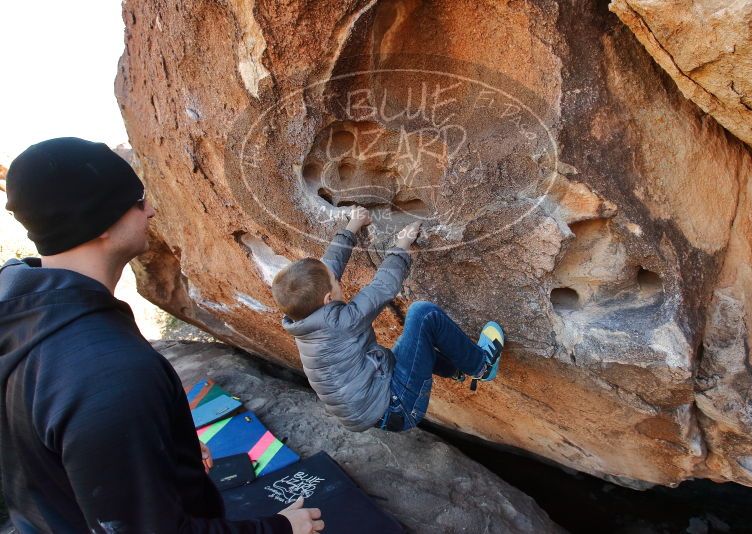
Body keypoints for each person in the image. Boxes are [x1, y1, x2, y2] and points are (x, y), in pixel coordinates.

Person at [0, 137, 323, 533]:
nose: (150, 210)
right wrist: (281, 528)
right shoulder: (108, 374)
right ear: (98, 221)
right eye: (138, 201)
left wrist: (170, 452)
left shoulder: (25, 315)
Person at [272, 207, 505, 433]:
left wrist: (352, 226)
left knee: (408, 346)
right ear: (327, 299)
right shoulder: (340, 324)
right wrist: (401, 245)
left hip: (375, 406)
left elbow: (326, 270)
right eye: (336, 283)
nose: (338, 281)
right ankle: (482, 365)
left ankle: (454, 368)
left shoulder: (303, 320)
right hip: (398, 406)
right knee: (423, 315)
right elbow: (383, 287)